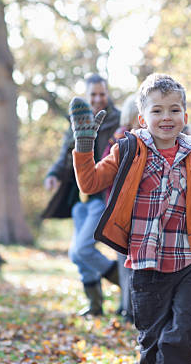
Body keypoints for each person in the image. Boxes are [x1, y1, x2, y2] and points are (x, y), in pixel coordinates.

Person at [69, 73, 191, 363]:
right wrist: (84, 143)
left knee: (184, 335)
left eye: (174, 110)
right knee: (152, 344)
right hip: (146, 266)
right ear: (142, 118)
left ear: (185, 116)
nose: (167, 117)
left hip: (188, 264)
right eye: (157, 110)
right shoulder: (127, 149)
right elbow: (89, 183)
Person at [42, 74, 121, 317]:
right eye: (93, 95)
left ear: (107, 94)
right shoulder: (77, 120)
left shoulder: (117, 121)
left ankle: (129, 285)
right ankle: (95, 306)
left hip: (103, 196)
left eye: (102, 94)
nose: (98, 99)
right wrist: (54, 173)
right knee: (78, 255)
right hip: (79, 198)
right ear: (87, 97)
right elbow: (66, 153)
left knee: (80, 249)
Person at [101, 94, 140, 323]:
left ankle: (128, 306)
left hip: (134, 209)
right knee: (126, 262)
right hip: (121, 209)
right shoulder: (121, 139)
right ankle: (128, 308)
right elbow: (106, 172)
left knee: (130, 262)